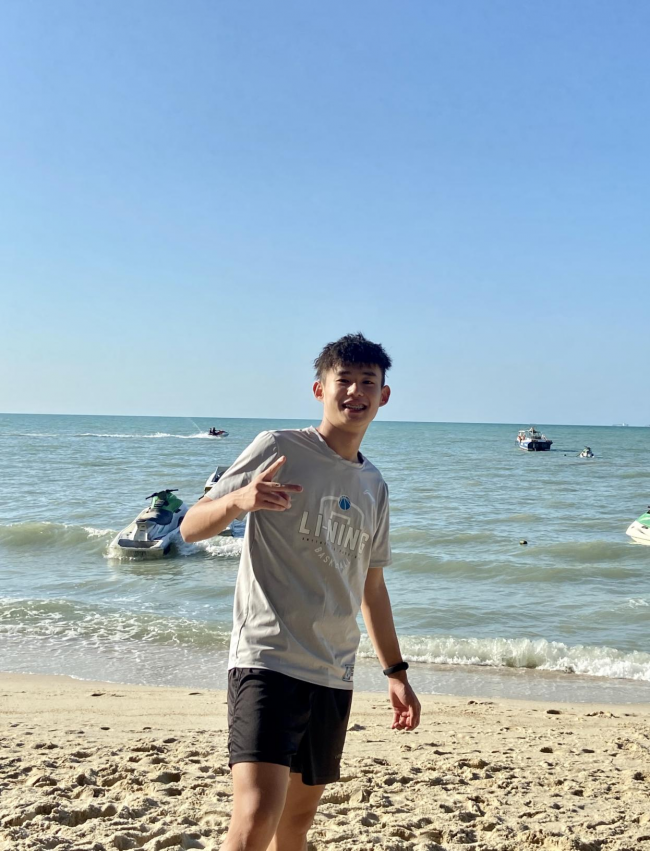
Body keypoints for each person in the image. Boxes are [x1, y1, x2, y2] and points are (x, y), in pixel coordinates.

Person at [181, 332, 420, 851]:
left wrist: (396, 674)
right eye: (344, 380)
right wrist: (239, 501)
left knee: (296, 823)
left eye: (368, 382)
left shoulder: (374, 486)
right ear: (319, 389)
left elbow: (372, 587)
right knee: (256, 814)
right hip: (266, 657)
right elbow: (191, 527)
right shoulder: (280, 447)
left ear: (384, 396)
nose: (355, 391)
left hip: (334, 670)